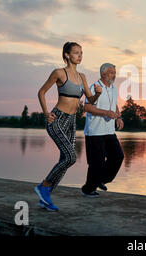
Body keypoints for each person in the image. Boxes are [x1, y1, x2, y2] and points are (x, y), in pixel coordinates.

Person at [35, 42, 102, 211]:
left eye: (81, 53)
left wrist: (98, 94)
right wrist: (45, 113)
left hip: (71, 122)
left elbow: (90, 100)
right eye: (76, 53)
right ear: (66, 55)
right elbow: (41, 92)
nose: (80, 56)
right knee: (71, 157)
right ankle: (43, 186)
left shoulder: (82, 77)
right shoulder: (59, 73)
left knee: (64, 160)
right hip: (57, 119)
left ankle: (45, 197)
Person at [80, 63, 124, 197]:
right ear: (103, 74)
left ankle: (101, 179)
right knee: (96, 162)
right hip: (95, 132)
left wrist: (118, 117)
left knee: (117, 157)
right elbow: (87, 107)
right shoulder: (95, 87)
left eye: (115, 72)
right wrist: (106, 113)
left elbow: (114, 104)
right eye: (111, 72)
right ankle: (88, 189)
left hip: (110, 131)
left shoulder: (113, 88)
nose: (114, 75)